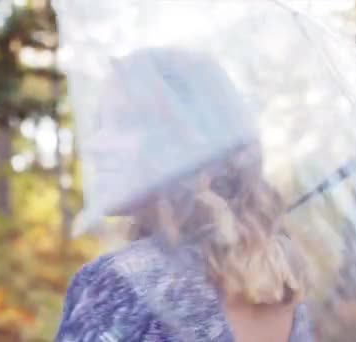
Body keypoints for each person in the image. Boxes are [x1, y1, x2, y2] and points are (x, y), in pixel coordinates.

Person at [55, 47, 313, 342]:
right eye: (99, 124)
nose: (95, 146)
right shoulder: (280, 285)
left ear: (183, 142)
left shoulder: (121, 283)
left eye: (125, 122)